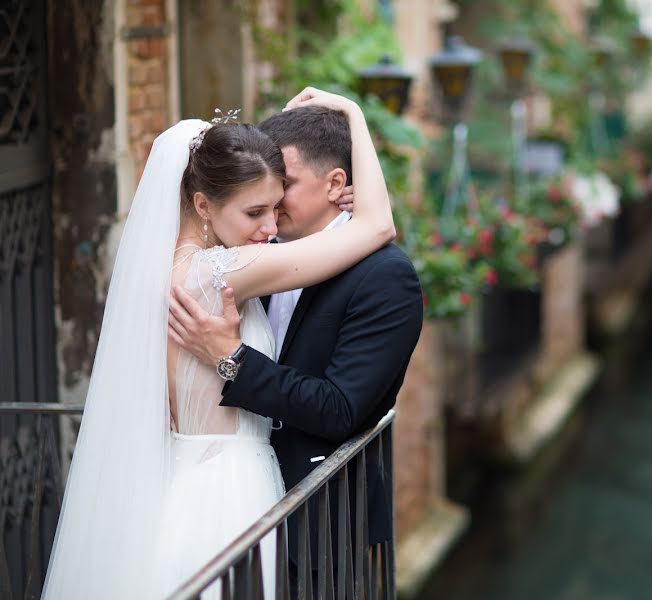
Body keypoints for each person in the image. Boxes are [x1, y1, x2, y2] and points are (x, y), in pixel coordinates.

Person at [41, 88, 394, 600]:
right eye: (255, 213)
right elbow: (377, 226)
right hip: (228, 489)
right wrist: (355, 116)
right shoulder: (216, 271)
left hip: (186, 479)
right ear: (203, 204)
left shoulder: (175, 266)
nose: (270, 229)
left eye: (276, 207)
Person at [167, 100, 424, 591]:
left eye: (285, 185)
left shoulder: (385, 277)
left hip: (318, 521)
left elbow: (342, 409)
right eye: (262, 195)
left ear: (335, 184)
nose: (274, 200)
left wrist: (233, 361)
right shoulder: (254, 257)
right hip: (228, 500)